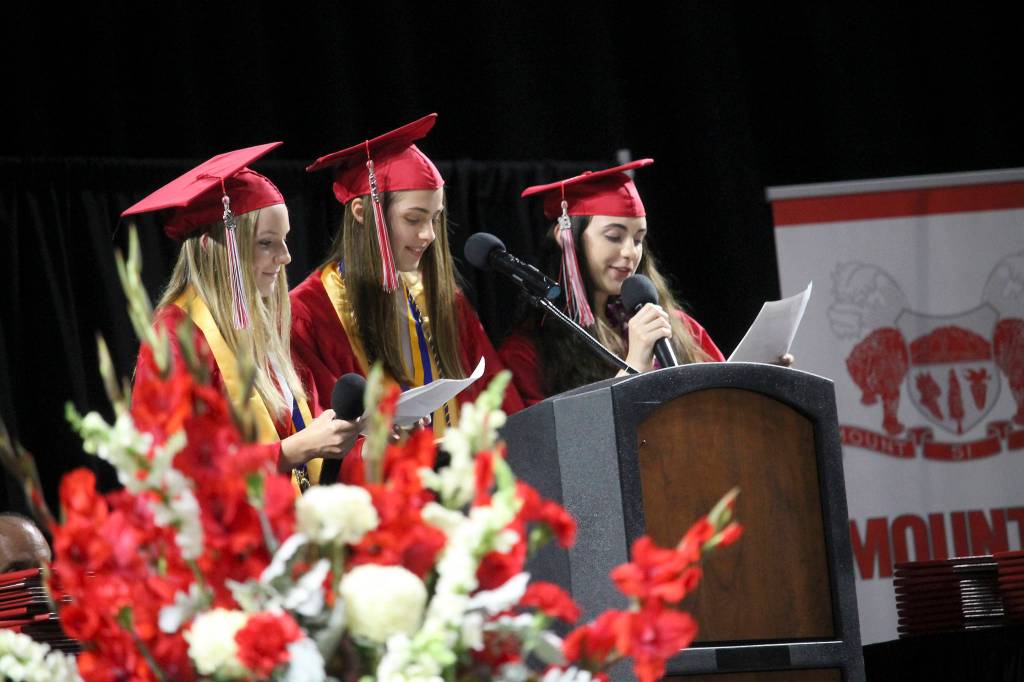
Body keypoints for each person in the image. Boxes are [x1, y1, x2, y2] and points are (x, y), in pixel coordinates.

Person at [290, 114, 523, 480]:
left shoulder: (445, 301)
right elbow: (318, 437)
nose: (429, 235)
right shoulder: (310, 312)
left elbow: (497, 404)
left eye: (435, 218)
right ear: (363, 212)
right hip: (376, 511)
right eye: (414, 219)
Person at [123, 143, 358, 491]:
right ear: (212, 247)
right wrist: (290, 452)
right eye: (267, 243)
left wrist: (364, 433)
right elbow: (175, 472)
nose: (286, 257)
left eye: (284, 240)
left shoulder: (262, 325)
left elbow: (301, 434)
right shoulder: (174, 337)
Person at [499, 159, 725, 407]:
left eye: (638, 240)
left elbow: (725, 398)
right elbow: (546, 440)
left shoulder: (672, 326)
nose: (630, 252)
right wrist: (635, 365)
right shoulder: (529, 353)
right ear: (566, 238)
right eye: (614, 237)